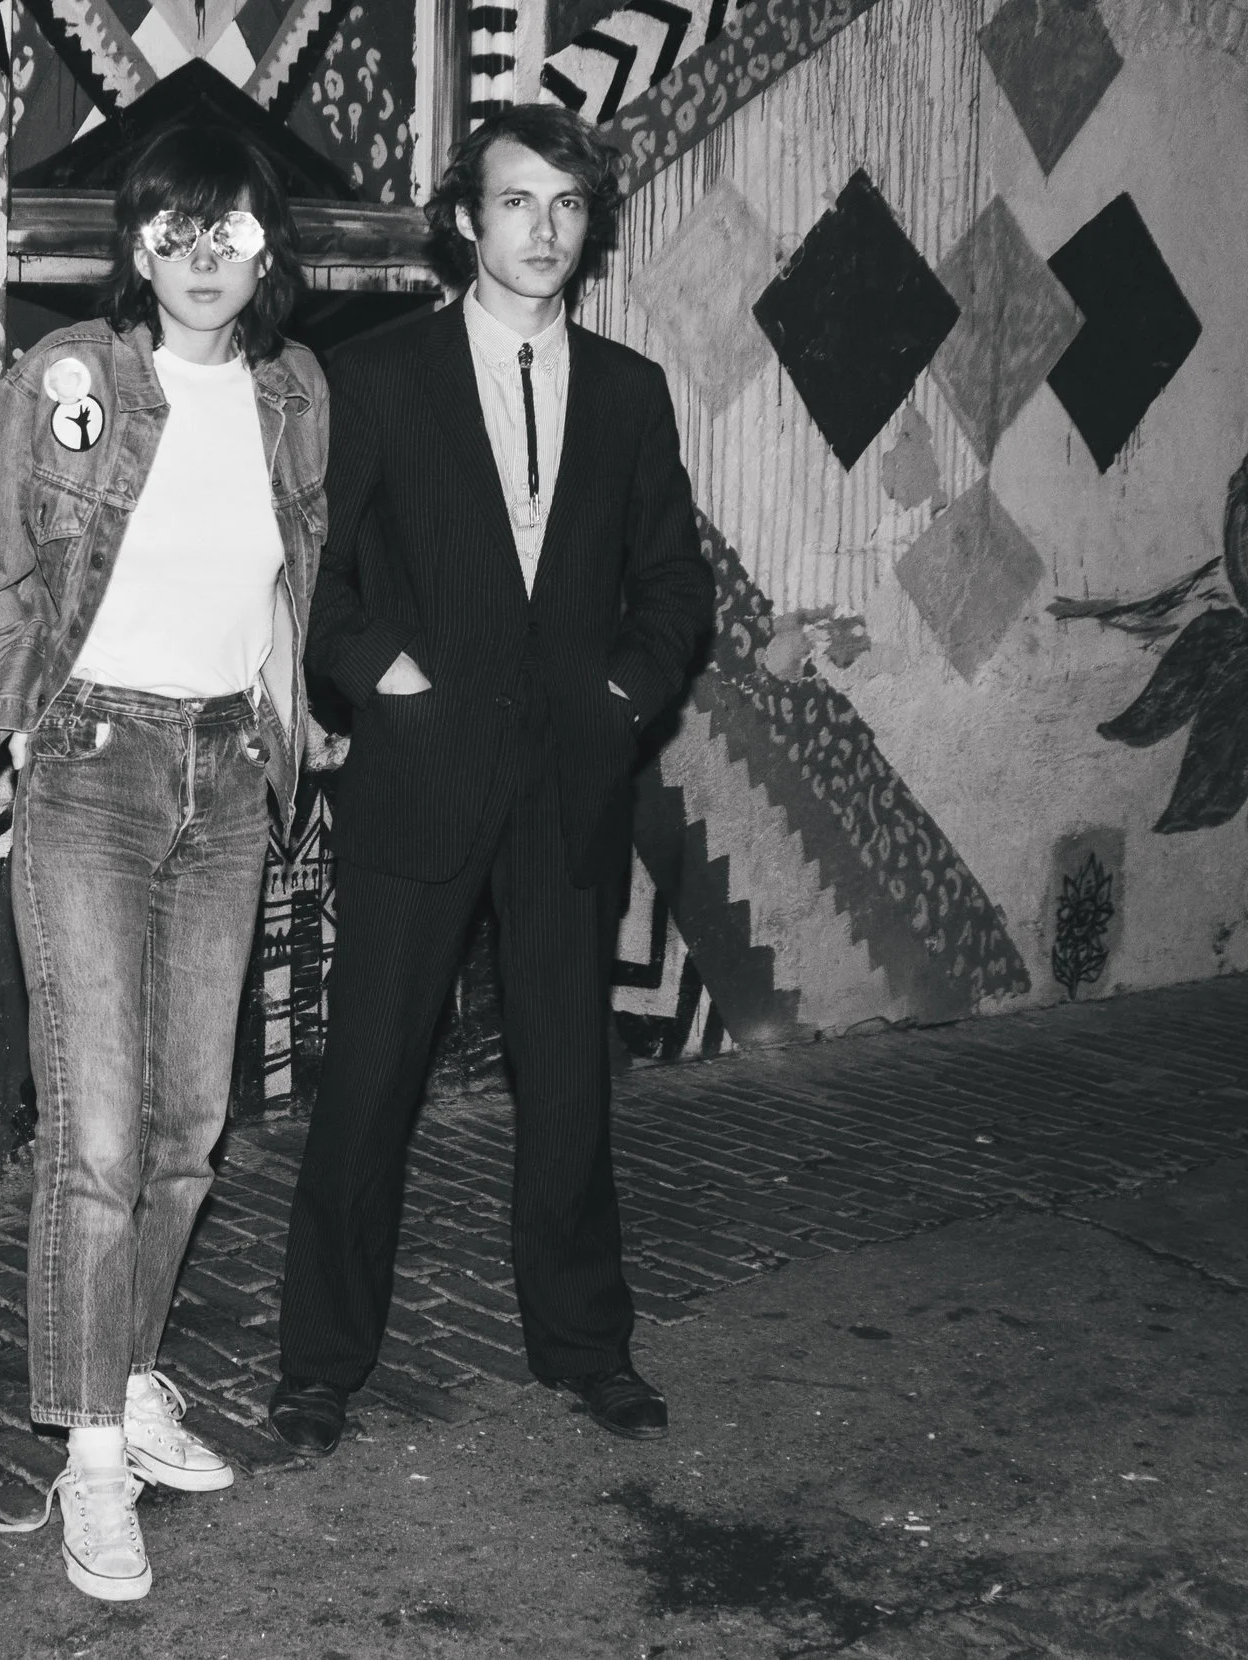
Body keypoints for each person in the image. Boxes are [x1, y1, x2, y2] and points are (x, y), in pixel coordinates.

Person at [266, 104, 714, 1456]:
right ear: (467, 219)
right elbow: (315, 574)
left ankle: (588, 1346)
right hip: (421, 771)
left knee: (569, 1078)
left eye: (568, 204)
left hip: (569, 780)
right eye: (518, 201)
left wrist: (623, 697)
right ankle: (319, 1366)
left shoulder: (629, 390)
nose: (544, 229)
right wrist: (381, 676)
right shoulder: (380, 375)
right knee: (370, 1080)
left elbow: (673, 585)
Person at [0, 124, 327, 1601]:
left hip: (231, 771)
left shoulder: (298, 393)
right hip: (95, 767)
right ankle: (93, 1453)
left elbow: (294, 573)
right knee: (100, 1137)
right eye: (173, 226)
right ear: (134, 246)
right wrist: (22, 710)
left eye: (229, 227)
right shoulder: (72, 378)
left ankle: (128, 1374)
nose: (201, 254)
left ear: (267, 246)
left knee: (189, 1130)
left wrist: (294, 725)